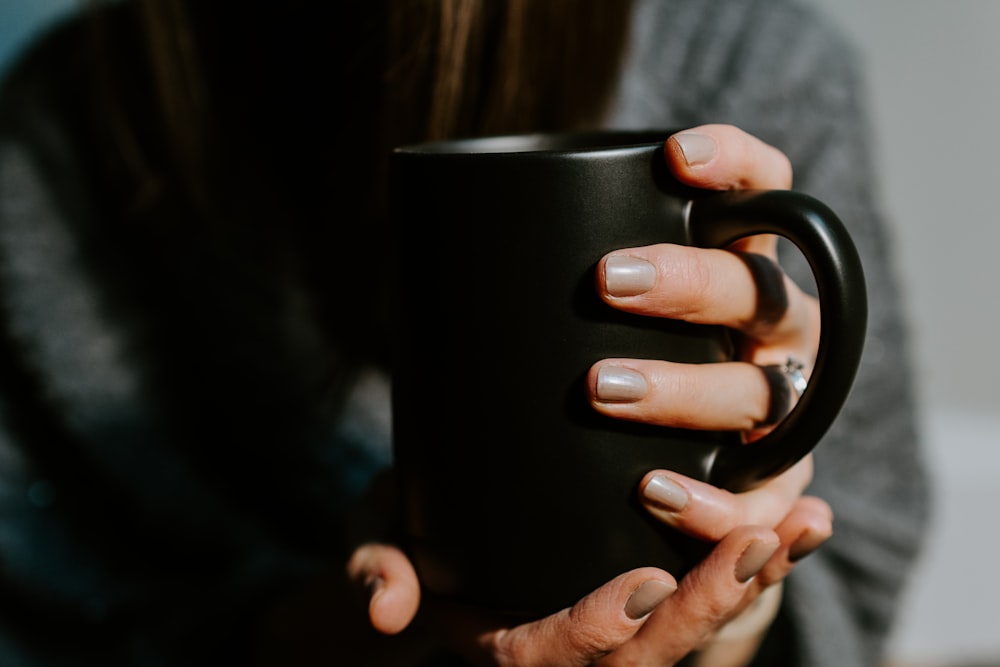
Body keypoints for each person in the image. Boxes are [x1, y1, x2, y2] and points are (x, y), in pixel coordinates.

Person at [0, 0, 928, 665]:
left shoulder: (750, 59)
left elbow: (863, 581)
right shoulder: (79, 126)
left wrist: (730, 605)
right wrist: (314, 640)